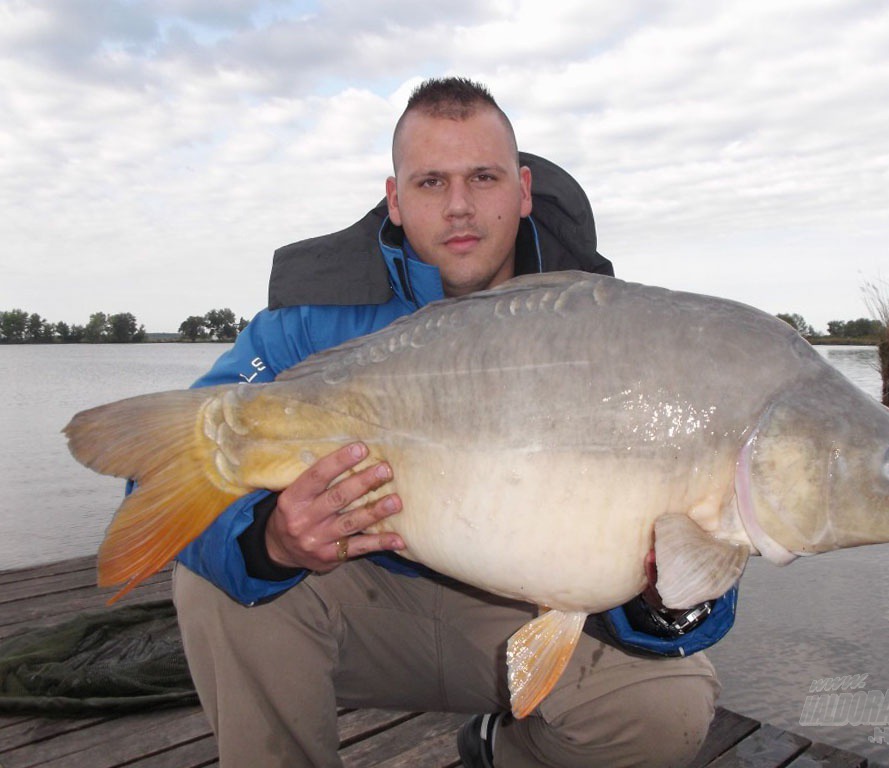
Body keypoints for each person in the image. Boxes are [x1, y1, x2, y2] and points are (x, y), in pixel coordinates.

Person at [172, 77, 737, 768]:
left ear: (524, 190)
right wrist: (271, 543)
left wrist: (659, 596)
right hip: (358, 604)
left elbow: (697, 574)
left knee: (670, 705)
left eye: (484, 177)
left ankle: (500, 751)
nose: (460, 206)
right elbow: (162, 483)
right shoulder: (307, 323)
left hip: (519, 618)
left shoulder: (611, 331)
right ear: (396, 198)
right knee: (212, 581)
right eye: (432, 182)